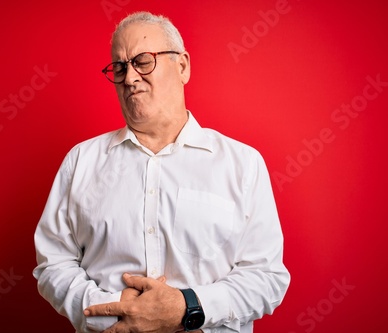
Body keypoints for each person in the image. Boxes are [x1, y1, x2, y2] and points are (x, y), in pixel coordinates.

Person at [33, 11, 290, 333]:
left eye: (143, 61)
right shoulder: (81, 161)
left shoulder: (242, 164)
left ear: (182, 66)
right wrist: (113, 316)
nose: (129, 78)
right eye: (120, 67)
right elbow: (53, 263)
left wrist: (188, 307)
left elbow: (266, 277)